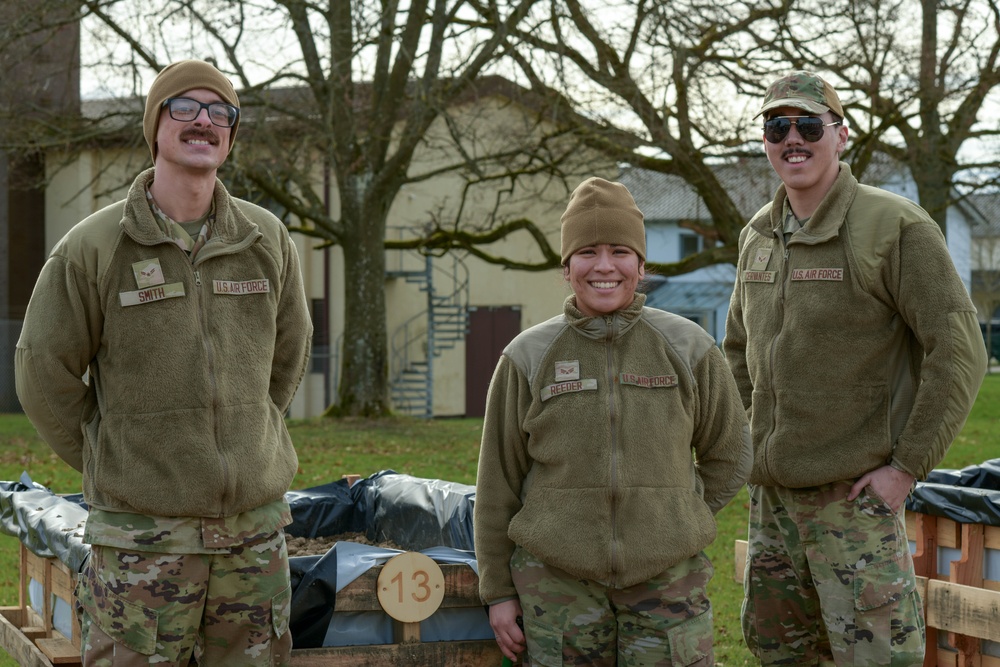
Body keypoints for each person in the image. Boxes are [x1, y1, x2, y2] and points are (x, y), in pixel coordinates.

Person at [15, 59, 312, 666]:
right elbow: (43, 371)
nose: (203, 121)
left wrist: (245, 432)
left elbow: (288, 354)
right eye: (185, 108)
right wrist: (112, 452)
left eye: (219, 112)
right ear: (156, 126)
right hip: (140, 544)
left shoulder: (265, 238)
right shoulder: (95, 247)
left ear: (230, 133)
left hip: (252, 541)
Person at [724, 71, 988, 666]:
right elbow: (738, 349)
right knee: (780, 654)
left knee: (875, 658)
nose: (793, 138)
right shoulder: (757, 236)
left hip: (856, 503)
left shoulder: (894, 227)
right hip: (772, 504)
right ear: (766, 141)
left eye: (808, 125)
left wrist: (906, 468)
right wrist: (746, 438)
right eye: (777, 126)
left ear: (840, 136)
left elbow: (957, 348)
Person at [474, 176, 752, 666]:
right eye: (587, 252)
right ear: (566, 267)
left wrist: (674, 517)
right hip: (557, 589)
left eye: (620, 251)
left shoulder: (689, 348)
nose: (604, 266)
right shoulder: (527, 356)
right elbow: (497, 483)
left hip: (669, 585)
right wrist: (498, 590)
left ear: (641, 266)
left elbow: (730, 453)